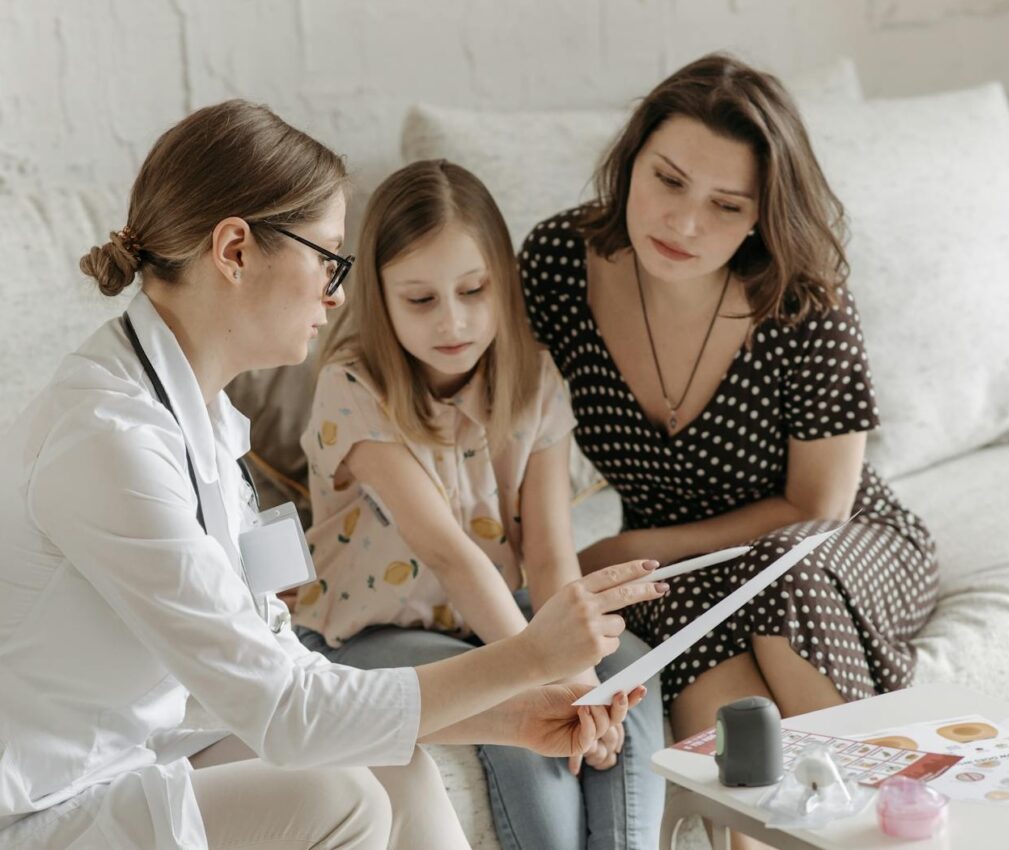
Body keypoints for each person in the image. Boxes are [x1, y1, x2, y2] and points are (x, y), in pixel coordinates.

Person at [0, 100, 667, 850]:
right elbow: (285, 711)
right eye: (327, 259)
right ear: (234, 251)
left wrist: (512, 715)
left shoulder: (207, 419)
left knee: (394, 764)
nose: (339, 293)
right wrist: (527, 659)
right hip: (42, 800)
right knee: (337, 797)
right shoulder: (109, 442)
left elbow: (275, 655)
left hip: (132, 753)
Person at [519, 54, 938, 849]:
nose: (682, 224)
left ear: (760, 215)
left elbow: (820, 506)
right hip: (684, 579)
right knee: (737, 746)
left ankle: (880, 828)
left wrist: (627, 548)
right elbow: (508, 424)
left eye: (725, 205)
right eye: (668, 180)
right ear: (631, 159)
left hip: (828, 545)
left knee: (784, 582)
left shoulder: (802, 295)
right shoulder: (556, 266)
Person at [290, 158, 666, 850]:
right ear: (380, 296)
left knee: (630, 678)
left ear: (503, 281)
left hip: (497, 612)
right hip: (373, 630)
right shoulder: (352, 384)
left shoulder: (534, 380)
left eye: (472, 290)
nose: (453, 321)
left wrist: (584, 681)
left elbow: (551, 555)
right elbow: (450, 555)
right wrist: (546, 672)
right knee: (517, 712)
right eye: (421, 300)